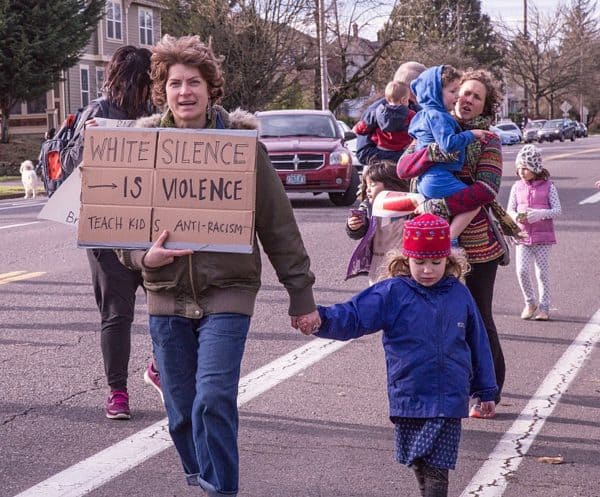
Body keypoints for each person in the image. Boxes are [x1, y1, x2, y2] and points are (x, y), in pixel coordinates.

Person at [116, 34, 319, 497]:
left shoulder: (243, 149)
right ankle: (202, 479)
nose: (184, 91)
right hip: (166, 294)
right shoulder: (140, 148)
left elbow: (279, 227)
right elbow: (114, 228)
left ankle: (221, 489)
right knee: (183, 411)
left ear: (211, 89)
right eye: (174, 83)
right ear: (161, 90)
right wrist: (140, 256)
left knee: (214, 399)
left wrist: (300, 295)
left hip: (228, 291)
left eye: (193, 82)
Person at [298, 213, 497, 497]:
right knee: (418, 461)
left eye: (435, 263)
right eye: (420, 262)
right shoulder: (393, 292)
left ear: (449, 261)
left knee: (437, 468)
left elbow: (478, 342)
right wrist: (320, 319)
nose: (427, 270)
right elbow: (354, 316)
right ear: (406, 260)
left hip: (449, 395)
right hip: (409, 393)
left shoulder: (459, 294)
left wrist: (486, 390)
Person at [397, 69, 506, 414]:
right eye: (463, 92)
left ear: (486, 106)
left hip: (475, 245)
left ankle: (486, 392)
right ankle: (441, 390)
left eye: (476, 96)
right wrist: (431, 154)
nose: (467, 99)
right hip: (428, 243)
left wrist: (440, 207)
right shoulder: (434, 122)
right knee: (431, 321)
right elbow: (403, 168)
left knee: (476, 316)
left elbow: (486, 189)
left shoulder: (487, 139)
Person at [79, 46, 161, 419]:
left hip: (153, 228)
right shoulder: (97, 113)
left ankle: (157, 368)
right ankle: (117, 391)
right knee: (117, 314)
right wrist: (87, 141)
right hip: (108, 233)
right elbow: (66, 166)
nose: (135, 89)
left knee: (171, 307)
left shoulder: (160, 115)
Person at [409, 65, 487, 245]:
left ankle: (442, 244)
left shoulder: (423, 115)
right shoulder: (439, 117)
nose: (458, 96)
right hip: (438, 178)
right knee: (473, 202)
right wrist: (471, 135)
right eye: (453, 91)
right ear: (435, 92)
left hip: (426, 180)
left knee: (437, 223)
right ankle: (449, 241)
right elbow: (448, 145)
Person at [506, 145, 561, 321]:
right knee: (521, 271)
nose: (521, 171)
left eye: (526, 167)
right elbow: (509, 210)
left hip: (543, 238)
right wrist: (515, 217)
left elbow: (557, 210)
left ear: (535, 168)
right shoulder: (516, 187)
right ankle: (530, 302)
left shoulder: (549, 187)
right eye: (519, 167)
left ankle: (544, 307)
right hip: (523, 237)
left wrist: (540, 214)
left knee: (542, 273)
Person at [345, 161, 409, 283]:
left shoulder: (408, 206)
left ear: (391, 185)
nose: (368, 189)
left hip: (402, 260)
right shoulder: (368, 207)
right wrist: (353, 226)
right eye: (366, 185)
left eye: (373, 184)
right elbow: (358, 231)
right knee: (378, 294)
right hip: (377, 260)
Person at [355, 61, 426, 165]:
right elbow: (364, 154)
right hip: (382, 177)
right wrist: (404, 157)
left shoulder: (419, 110)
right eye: (423, 87)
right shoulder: (374, 112)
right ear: (410, 89)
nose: (426, 91)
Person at [352, 81, 415, 164]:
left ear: (387, 98)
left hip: (381, 148)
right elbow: (417, 130)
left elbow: (364, 126)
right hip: (402, 149)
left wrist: (355, 129)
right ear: (403, 100)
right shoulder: (411, 114)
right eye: (407, 100)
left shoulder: (376, 112)